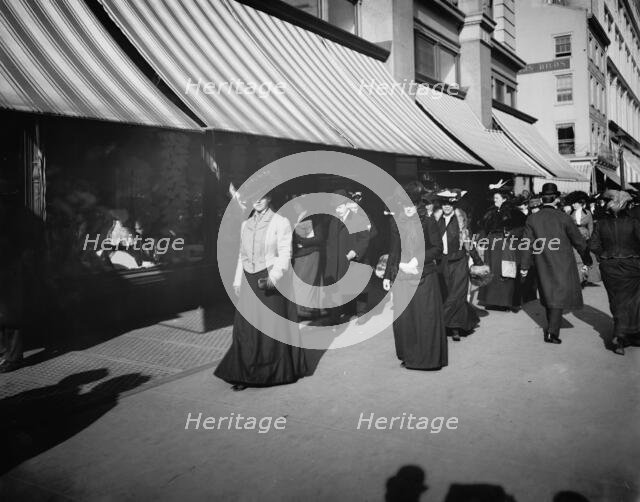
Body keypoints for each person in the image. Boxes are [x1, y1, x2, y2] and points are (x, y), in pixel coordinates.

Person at [214, 190, 307, 390]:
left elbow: (285, 253)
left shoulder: (280, 222)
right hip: (249, 279)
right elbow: (242, 255)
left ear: (270, 198)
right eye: (253, 198)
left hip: (270, 278)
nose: (257, 201)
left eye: (262, 197)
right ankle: (244, 374)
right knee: (246, 328)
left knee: (269, 329)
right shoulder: (244, 225)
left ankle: (269, 373)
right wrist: (238, 280)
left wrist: (274, 277)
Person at [383, 181, 447, 370]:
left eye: (412, 206)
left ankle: (427, 360)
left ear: (419, 204)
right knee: (406, 319)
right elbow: (394, 250)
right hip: (402, 276)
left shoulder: (428, 222)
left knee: (425, 318)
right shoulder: (396, 222)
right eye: (405, 205)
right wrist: (388, 275)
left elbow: (438, 249)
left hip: (424, 276)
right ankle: (410, 357)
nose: (408, 209)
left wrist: (417, 260)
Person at [520, 183, 592, 344]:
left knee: (548, 293)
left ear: (542, 198)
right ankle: (553, 332)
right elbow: (578, 241)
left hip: (542, 261)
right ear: (556, 199)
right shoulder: (564, 217)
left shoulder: (532, 218)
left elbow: (526, 245)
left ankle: (552, 328)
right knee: (557, 295)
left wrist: (524, 267)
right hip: (563, 261)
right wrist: (587, 258)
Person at [590, 190, 640, 355]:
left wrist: (604, 256)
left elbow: (594, 245)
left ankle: (623, 335)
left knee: (617, 300)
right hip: (632, 265)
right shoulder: (634, 223)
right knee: (633, 300)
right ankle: (625, 334)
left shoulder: (600, 224)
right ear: (626, 205)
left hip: (609, 266)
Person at [435, 189, 481, 341]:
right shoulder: (436, 222)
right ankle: (454, 327)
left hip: (459, 262)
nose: (446, 207)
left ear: (454, 205)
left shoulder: (460, 220)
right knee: (447, 294)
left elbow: (468, 241)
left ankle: (441, 324)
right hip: (442, 263)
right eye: (444, 204)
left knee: (456, 294)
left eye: (449, 204)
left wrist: (478, 261)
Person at [324, 189, 370, 323]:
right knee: (338, 287)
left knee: (359, 287)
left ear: (346, 205)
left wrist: (355, 252)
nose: (338, 210)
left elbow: (364, 239)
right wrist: (330, 258)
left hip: (354, 257)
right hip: (338, 259)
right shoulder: (334, 221)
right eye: (336, 208)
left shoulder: (358, 218)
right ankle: (336, 315)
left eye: (340, 207)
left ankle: (362, 313)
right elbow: (330, 241)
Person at [478, 184, 526, 311]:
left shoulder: (514, 212)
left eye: (497, 198)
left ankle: (505, 302)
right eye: (494, 198)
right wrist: (481, 241)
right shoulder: (490, 212)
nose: (495, 200)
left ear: (504, 199)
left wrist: (511, 233)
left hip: (505, 244)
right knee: (490, 271)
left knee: (503, 272)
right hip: (491, 245)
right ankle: (491, 301)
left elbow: (522, 228)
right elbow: (483, 228)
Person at [290, 195, 325, 319]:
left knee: (305, 282)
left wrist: (301, 241)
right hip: (301, 254)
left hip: (310, 254)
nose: (295, 207)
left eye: (297, 204)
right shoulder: (297, 217)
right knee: (304, 282)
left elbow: (319, 238)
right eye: (293, 205)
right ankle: (308, 311)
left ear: (303, 204)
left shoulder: (313, 217)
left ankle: (306, 312)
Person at [566, 191, 594, 286]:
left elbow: (590, 226)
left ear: (580, 203)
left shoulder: (588, 213)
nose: (573, 205)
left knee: (584, 256)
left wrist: (590, 236)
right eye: (572, 203)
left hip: (585, 238)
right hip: (573, 237)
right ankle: (579, 278)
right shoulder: (569, 213)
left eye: (575, 203)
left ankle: (584, 274)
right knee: (577, 257)